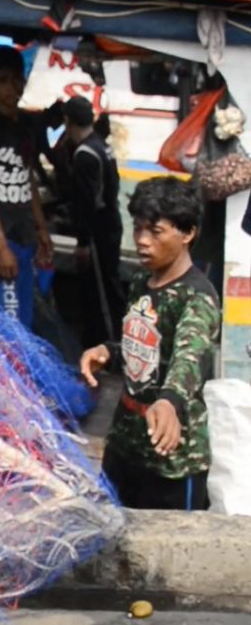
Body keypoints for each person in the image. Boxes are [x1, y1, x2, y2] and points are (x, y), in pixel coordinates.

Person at [80, 178, 220, 510]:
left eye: (155, 232)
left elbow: (188, 357)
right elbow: (141, 345)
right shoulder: (143, 282)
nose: (142, 241)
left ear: (187, 234)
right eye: (138, 229)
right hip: (125, 444)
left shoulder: (198, 298)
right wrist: (109, 353)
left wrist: (169, 401)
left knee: (172, 552)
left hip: (171, 458)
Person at [0, 45, 53, 328]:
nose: (12, 87)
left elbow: (29, 178)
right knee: (3, 312)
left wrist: (42, 230)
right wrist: (1, 246)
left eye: (17, 78)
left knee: (24, 309)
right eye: (3, 80)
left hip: (24, 230)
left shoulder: (26, 124)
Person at [63, 95, 124, 344]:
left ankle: (109, 342)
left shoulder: (84, 155)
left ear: (68, 121)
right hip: (111, 223)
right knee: (111, 283)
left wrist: (83, 241)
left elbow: (86, 204)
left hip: (98, 230)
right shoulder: (101, 145)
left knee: (101, 290)